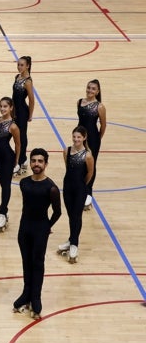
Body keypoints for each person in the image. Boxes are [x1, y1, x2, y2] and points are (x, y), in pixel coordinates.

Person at [12, 148, 62, 320]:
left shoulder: (52, 188)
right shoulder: (24, 183)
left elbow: (57, 212)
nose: (36, 164)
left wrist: (47, 226)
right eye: (34, 161)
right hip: (24, 229)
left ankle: (36, 297)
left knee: (38, 263)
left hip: (40, 229)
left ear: (46, 164)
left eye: (40, 161)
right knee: (26, 262)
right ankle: (26, 293)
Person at [58, 126, 94, 263]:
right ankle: (71, 239)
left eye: (79, 137)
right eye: (74, 136)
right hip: (67, 187)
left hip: (80, 189)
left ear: (84, 138)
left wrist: (81, 185)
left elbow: (89, 174)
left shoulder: (88, 155)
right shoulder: (66, 151)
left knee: (76, 216)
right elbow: (68, 168)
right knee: (70, 215)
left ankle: (74, 244)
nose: (76, 139)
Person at [0, 97, 21, 232]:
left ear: (11, 108)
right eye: (1, 106)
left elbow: (18, 144)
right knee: (3, 184)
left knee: (6, 185)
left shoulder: (13, 126)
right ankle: (2, 209)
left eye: (5, 106)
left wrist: (16, 162)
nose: (3, 109)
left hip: (7, 157)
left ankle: (3, 212)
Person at [77, 79, 106, 209]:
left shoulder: (99, 106)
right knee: (80, 163)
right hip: (79, 138)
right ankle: (80, 189)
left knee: (91, 165)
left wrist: (97, 138)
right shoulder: (79, 102)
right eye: (89, 87)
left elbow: (103, 125)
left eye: (93, 89)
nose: (90, 90)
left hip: (93, 139)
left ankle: (88, 193)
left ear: (97, 91)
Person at [12, 56, 34, 175]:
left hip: (22, 112)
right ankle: (18, 159)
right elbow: (13, 96)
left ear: (27, 66)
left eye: (22, 65)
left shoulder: (28, 81)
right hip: (14, 111)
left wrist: (30, 115)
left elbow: (31, 99)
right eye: (18, 64)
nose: (19, 67)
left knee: (21, 137)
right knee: (15, 137)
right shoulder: (17, 77)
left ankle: (21, 160)